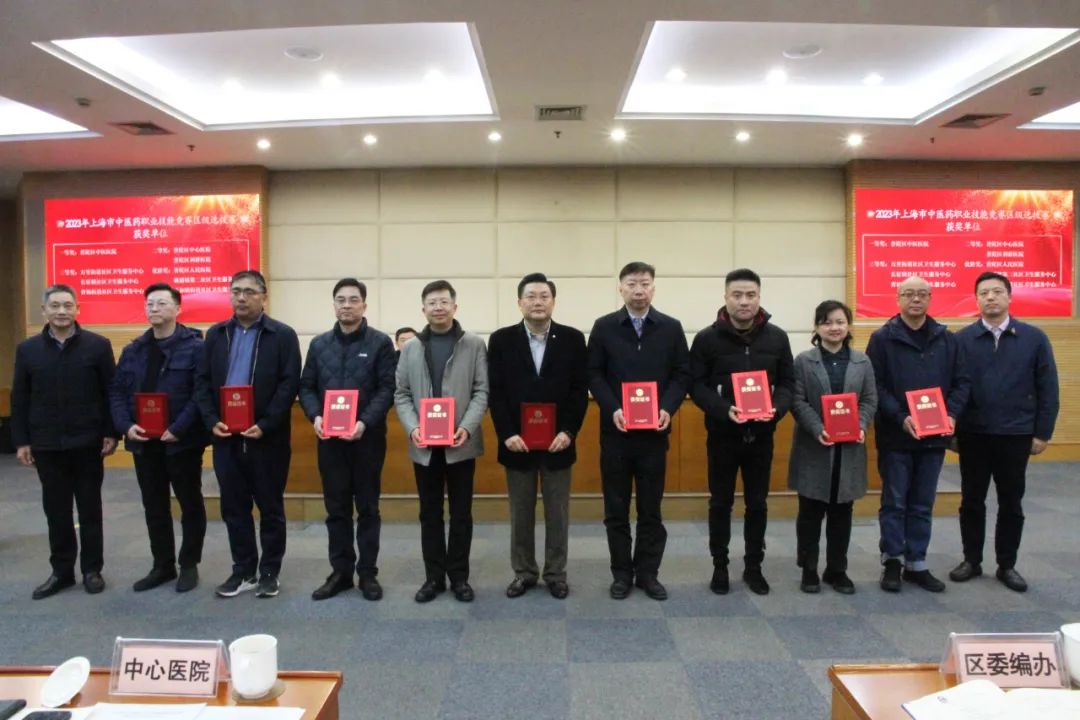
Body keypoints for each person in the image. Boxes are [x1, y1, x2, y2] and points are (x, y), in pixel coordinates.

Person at [194, 270, 301, 599]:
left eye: (250, 292)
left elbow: (289, 384)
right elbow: (201, 382)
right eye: (236, 291)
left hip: (267, 438)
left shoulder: (282, 335)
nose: (241, 297)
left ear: (263, 297)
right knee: (234, 508)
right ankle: (243, 570)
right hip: (225, 436)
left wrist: (266, 423)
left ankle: (269, 572)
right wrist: (211, 420)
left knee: (270, 508)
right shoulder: (216, 335)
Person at [949, 271, 1059, 593]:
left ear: (1009, 297)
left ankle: (1007, 564)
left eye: (997, 292)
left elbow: (1048, 388)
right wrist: (950, 431)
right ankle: (971, 560)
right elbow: (951, 388)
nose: (991, 297)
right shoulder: (961, 340)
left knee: (1011, 501)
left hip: (1016, 434)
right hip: (973, 434)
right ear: (976, 299)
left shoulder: (1034, 338)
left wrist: (1042, 432)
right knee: (972, 500)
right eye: (984, 293)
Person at [587, 261, 690, 601]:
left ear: (653, 288)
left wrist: (667, 408)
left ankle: (648, 573)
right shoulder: (604, 327)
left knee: (651, 510)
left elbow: (682, 374)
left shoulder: (671, 328)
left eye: (644, 283)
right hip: (615, 433)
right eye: (631, 284)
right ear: (621, 288)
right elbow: (594, 374)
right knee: (615, 510)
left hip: (654, 435)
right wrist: (613, 408)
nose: (638, 290)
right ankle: (621, 574)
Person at [689, 268, 794, 595]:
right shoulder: (706, 339)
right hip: (722, 436)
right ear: (726, 297)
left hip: (762, 436)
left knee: (757, 504)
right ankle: (720, 566)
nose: (744, 301)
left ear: (759, 297)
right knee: (720, 503)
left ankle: (753, 567)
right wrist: (723, 410)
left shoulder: (777, 338)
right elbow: (696, 385)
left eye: (750, 295)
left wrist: (777, 409)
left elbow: (788, 384)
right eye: (737, 295)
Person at [12, 284, 119, 599]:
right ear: (44, 311)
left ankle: (92, 570)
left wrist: (111, 432)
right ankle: (61, 572)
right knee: (56, 511)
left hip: (88, 442)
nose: (61, 311)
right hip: (47, 444)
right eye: (55, 305)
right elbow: (21, 398)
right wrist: (22, 441)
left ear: (77, 309)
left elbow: (110, 393)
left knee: (90, 509)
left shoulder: (98, 346)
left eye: (67, 305)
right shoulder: (28, 349)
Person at [866, 276, 970, 593]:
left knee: (923, 503)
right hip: (896, 435)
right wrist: (901, 417)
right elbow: (875, 385)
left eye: (922, 294)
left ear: (930, 298)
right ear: (898, 299)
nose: (915, 299)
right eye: (909, 294)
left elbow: (962, 382)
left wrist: (951, 414)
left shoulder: (947, 339)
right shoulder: (882, 338)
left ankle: (917, 562)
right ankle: (892, 561)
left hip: (935, 437)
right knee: (895, 502)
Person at [487, 273, 588, 599]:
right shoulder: (501, 340)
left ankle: (556, 573)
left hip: (559, 442)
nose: (537, 302)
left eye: (544, 296)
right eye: (530, 296)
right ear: (520, 302)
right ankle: (524, 572)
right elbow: (495, 392)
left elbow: (579, 391)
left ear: (553, 301)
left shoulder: (573, 339)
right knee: (521, 513)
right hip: (517, 443)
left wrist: (569, 431)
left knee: (558, 513)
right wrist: (507, 433)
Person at [299, 278, 396, 601]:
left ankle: (368, 573)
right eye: (341, 300)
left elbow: (387, 388)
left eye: (354, 300)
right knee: (336, 509)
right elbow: (306, 387)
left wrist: (364, 422)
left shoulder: (380, 343)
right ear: (334, 305)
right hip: (329, 441)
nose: (347, 305)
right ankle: (340, 572)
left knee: (368, 508)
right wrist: (315, 415)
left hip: (367, 439)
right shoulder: (319, 345)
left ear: (364, 305)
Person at [109, 283, 208, 593]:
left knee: (190, 503)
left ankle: (189, 563)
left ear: (178, 308)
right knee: (154, 506)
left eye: (162, 303)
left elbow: (201, 393)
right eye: (150, 303)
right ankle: (162, 565)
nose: (154, 308)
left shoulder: (195, 347)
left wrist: (179, 427)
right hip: (143, 442)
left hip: (181, 441)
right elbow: (117, 392)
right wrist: (126, 426)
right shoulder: (133, 350)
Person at [394, 280, 488, 603]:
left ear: (454, 307)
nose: (438, 307)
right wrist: (412, 428)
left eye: (444, 302)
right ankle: (433, 578)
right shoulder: (410, 348)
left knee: (461, 513)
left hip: (461, 444)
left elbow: (481, 391)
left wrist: (467, 427)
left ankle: (459, 577)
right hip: (424, 446)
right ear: (423, 309)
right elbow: (401, 393)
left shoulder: (473, 344)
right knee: (429, 513)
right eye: (432, 303)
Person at [788, 300, 877, 594]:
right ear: (816, 328)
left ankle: (837, 570)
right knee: (810, 511)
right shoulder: (803, 361)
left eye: (840, 322)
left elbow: (869, 399)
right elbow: (797, 400)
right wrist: (818, 428)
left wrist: (861, 424)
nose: (834, 328)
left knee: (842, 512)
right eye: (826, 322)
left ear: (848, 326)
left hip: (849, 448)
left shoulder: (862, 362)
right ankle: (809, 568)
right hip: (814, 446)